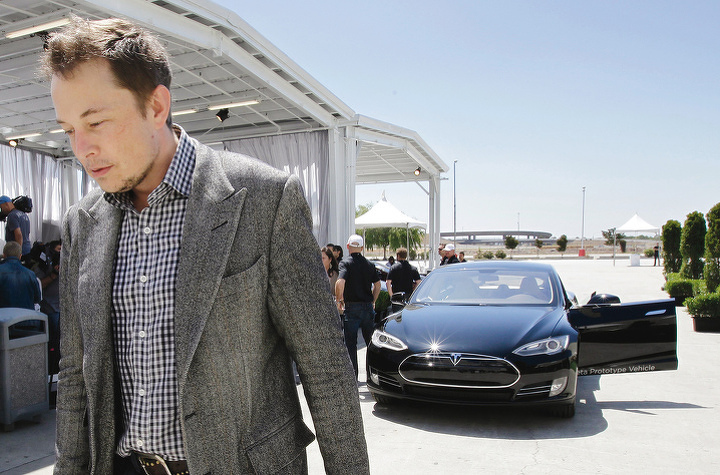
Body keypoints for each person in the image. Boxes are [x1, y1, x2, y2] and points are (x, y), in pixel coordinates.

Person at [43, 17, 368, 474]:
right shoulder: (82, 222)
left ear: (156, 106)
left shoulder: (264, 199)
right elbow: (77, 375)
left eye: (95, 122)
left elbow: (325, 366)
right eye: (68, 130)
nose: (82, 148)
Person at [335, 234, 380, 379]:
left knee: (351, 345)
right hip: (367, 307)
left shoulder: (345, 263)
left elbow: (340, 282)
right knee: (371, 344)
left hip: (352, 307)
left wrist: (339, 300)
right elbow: (378, 285)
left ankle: (353, 378)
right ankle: (372, 376)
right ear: (362, 248)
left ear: (348, 246)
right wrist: (373, 300)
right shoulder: (369, 264)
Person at [0, 241, 41, 310]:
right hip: (26, 315)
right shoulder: (31, 274)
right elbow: (37, 299)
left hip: (4, 315)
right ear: (20, 256)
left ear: (4, 255)